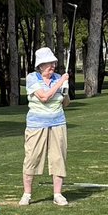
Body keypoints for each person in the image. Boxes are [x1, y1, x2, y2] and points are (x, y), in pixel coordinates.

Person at [21, 47, 71, 206]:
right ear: (40, 66)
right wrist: (60, 82)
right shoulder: (32, 78)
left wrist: (65, 90)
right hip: (36, 124)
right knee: (32, 158)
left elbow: (66, 103)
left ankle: (58, 194)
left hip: (58, 123)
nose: (52, 67)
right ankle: (27, 194)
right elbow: (44, 97)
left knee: (58, 158)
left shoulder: (58, 78)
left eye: (53, 63)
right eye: (48, 64)